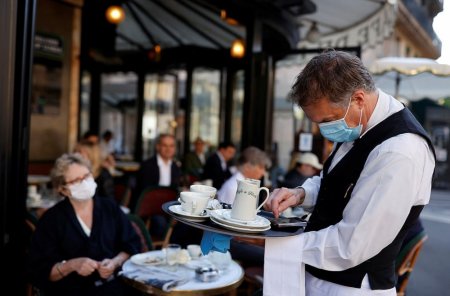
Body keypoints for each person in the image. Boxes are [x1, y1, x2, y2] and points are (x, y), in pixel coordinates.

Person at [201, 50, 436, 295]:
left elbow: (352, 244)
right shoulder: (356, 122)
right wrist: (301, 193)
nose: (324, 130)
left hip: (350, 288)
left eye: (328, 120)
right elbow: (336, 179)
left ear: (358, 99)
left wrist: (267, 241)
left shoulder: (399, 152)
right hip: (314, 273)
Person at [27, 153, 141, 296]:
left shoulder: (109, 207)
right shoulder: (52, 220)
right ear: (63, 190)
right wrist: (72, 265)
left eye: (86, 176)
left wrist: (114, 262)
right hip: (71, 292)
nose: (84, 183)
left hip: (114, 287)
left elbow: (132, 245)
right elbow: (41, 272)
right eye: (76, 181)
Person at [217, 146, 271, 268]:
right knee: (269, 254)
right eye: (261, 167)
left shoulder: (242, 184)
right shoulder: (233, 187)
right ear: (247, 166)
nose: (263, 172)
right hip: (228, 241)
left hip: (236, 238)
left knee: (272, 249)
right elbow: (226, 225)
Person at [133, 134, 182, 237]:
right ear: (158, 147)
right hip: (151, 210)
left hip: (170, 208)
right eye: (165, 145)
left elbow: (176, 189)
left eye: (171, 146)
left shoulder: (175, 167)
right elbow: (144, 193)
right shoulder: (147, 166)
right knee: (160, 223)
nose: (168, 149)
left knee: (185, 223)